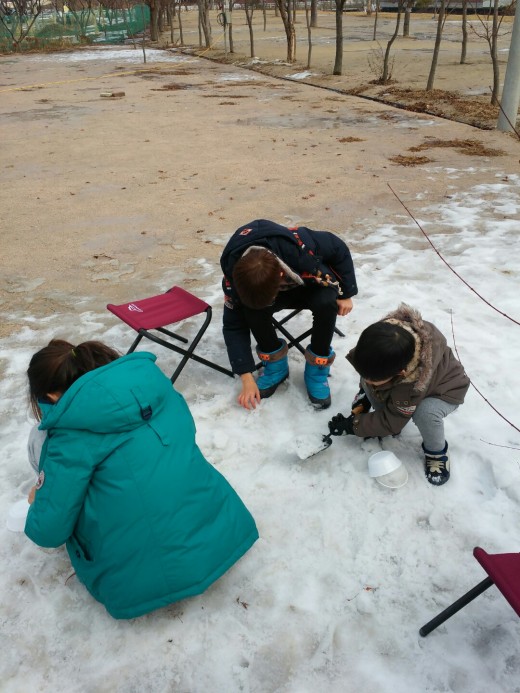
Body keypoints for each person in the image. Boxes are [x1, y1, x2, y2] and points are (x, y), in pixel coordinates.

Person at [24, 339, 258, 619]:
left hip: (144, 581)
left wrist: (41, 497)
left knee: (39, 439)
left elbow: (48, 532)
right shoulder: (157, 389)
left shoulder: (69, 437)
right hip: (225, 533)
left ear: (50, 395)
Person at [220, 219, 358, 410]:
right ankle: (276, 366)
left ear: (281, 277)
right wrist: (246, 376)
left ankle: (317, 370)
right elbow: (233, 325)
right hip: (267, 290)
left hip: (310, 282)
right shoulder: (233, 277)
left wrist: (347, 293)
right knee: (250, 310)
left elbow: (338, 247)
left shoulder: (301, 245)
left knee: (327, 304)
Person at [328, 304, 470, 485]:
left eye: (372, 380)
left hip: (444, 390)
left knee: (425, 413)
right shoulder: (383, 340)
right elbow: (371, 373)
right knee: (371, 378)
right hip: (401, 384)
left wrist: (352, 426)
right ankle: (369, 394)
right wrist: (366, 391)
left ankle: (437, 453)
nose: (366, 380)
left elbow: (392, 422)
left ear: (400, 373)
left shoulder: (410, 385)